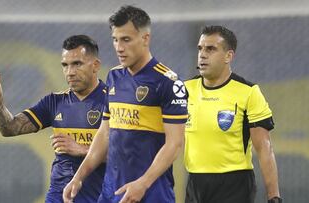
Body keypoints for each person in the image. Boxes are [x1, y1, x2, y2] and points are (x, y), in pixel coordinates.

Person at [62, 5, 188, 203]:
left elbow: (175, 143)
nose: (119, 47)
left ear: (146, 38)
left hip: (151, 193)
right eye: (115, 39)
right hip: (112, 191)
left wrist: (143, 183)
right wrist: (78, 177)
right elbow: (104, 133)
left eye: (126, 39)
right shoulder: (114, 76)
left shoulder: (169, 82)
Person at [0, 35, 106, 203]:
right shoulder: (54, 102)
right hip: (59, 196)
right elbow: (10, 128)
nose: (70, 72)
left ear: (95, 65)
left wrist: (82, 149)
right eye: (65, 65)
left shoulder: (114, 101)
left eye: (77, 64)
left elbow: (130, 156)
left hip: (99, 196)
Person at [184, 25, 282, 203]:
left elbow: (264, 147)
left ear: (228, 56)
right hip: (195, 183)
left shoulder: (248, 92)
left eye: (211, 49)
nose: (203, 54)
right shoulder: (185, 90)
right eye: (200, 48)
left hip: (234, 183)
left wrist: (274, 197)